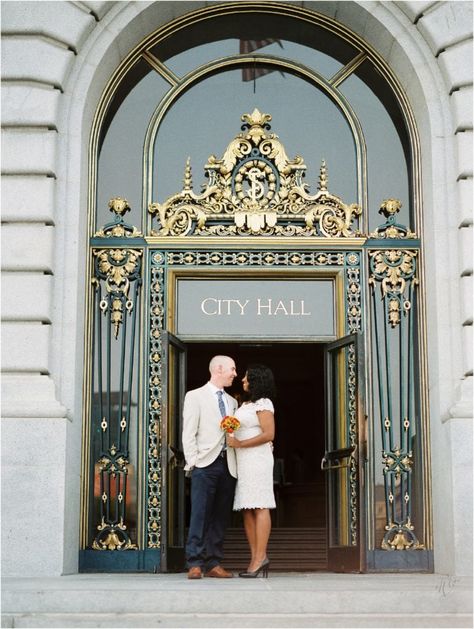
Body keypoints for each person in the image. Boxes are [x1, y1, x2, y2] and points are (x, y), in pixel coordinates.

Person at [182, 355, 238, 579]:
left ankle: (214, 563)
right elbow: (189, 432)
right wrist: (194, 462)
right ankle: (194, 563)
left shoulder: (233, 402)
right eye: (232, 369)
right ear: (219, 368)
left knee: (220, 516)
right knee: (199, 514)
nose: (235, 373)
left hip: (228, 465)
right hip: (204, 464)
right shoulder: (195, 396)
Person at [227, 364, 276, 578]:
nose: (243, 381)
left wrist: (240, 445)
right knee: (247, 508)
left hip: (258, 460)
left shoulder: (264, 403)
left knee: (260, 504)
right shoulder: (246, 404)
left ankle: (260, 558)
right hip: (244, 462)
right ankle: (255, 557)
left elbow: (269, 434)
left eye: (246, 379)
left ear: (256, 381)